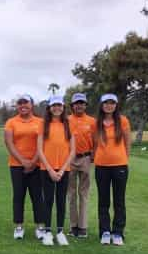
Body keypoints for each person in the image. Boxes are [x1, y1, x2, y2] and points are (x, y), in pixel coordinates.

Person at [4, 94, 45, 240]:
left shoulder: (40, 122)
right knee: (18, 196)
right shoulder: (11, 122)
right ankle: (19, 226)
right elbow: (9, 143)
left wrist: (33, 161)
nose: (23, 106)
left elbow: (43, 144)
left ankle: (40, 227)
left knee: (37, 196)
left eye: (25, 103)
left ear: (31, 105)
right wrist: (23, 161)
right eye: (20, 103)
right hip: (16, 165)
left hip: (37, 165)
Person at [37, 96, 75, 246]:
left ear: (63, 107)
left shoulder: (68, 124)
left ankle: (59, 232)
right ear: (49, 108)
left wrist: (63, 168)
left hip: (64, 169)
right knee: (48, 200)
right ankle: (47, 232)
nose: (56, 108)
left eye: (59, 105)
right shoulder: (43, 124)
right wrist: (51, 169)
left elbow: (72, 150)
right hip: (46, 168)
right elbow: (40, 150)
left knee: (61, 200)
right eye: (54, 106)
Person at [94, 94, 131, 246]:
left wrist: (122, 159)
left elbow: (127, 144)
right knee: (103, 201)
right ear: (101, 105)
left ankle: (117, 232)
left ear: (116, 105)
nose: (109, 106)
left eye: (112, 103)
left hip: (119, 166)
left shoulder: (122, 121)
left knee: (119, 201)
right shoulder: (96, 123)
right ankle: (105, 231)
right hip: (101, 166)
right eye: (106, 103)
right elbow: (94, 144)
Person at [67, 93, 96, 238]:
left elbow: (96, 140)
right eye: (76, 103)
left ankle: (83, 226)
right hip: (69, 159)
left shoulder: (92, 121)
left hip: (85, 158)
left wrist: (94, 155)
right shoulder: (66, 120)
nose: (79, 106)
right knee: (71, 194)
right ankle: (73, 226)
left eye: (82, 103)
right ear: (72, 105)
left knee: (83, 193)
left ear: (85, 105)